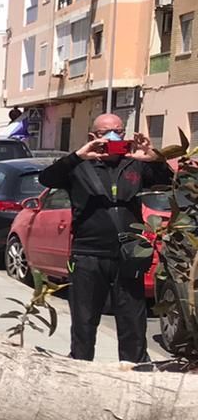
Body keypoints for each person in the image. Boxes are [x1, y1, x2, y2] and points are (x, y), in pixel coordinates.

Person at [36, 113, 173, 362]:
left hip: (128, 255)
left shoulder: (134, 163)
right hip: (88, 254)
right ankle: (81, 369)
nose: (113, 137)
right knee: (84, 321)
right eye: (105, 133)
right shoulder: (79, 166)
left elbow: (169, 183)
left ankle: (134, 371)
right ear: (93, 136)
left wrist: (155, 159)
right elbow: (46, 178)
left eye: (119, 132)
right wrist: (78, 155)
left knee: (132, 320)